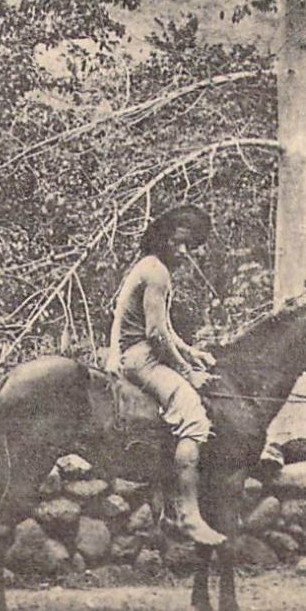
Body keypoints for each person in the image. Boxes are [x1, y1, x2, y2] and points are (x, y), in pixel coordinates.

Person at [105, 205, 225, 546]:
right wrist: (189, 374)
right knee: (193, 416)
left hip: (138, 351)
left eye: (190, 245)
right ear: (162, 239)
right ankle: (186, 515)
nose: (184, 252)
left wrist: (191, 352)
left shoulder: (151, 268)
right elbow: (155, 335)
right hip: (141, 357)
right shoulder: (156, 272)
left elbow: (166, 329)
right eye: (178, 243)